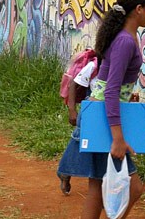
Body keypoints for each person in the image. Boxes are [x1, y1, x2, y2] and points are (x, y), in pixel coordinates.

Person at [78, 0, 145, 219]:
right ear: (139, 9)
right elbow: (111, 90)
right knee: (134, 187)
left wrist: (127, 95)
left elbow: (113, 85)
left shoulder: (126, 37)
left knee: (96, 186)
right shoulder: (125, 41)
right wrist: (118, 138)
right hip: (105, 117)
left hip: (101, 114)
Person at [56, 50, 98, 195]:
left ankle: (102, 181)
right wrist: (72, 109)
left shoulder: (119, 66)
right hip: (90, 110)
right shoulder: (94, 66)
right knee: (79, 139)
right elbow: (74, 84)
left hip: (107, 111)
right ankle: (65, 171)